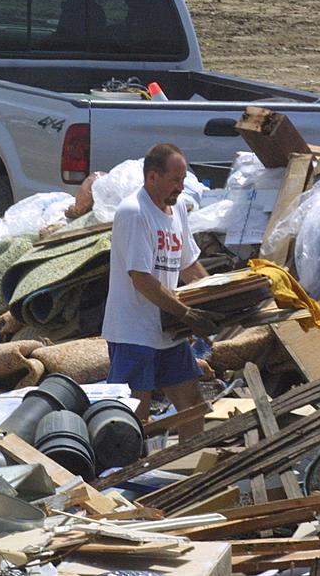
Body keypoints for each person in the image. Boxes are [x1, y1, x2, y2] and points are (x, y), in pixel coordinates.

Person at [101, 143, 223, 438]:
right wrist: (187, 313)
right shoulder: (134, 212)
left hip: (168, 331)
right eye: (175, 180)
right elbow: (141, 279)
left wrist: (216, 298)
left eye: (183, 180)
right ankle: (128, 477)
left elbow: (189, 264)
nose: (181, 187)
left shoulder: (177, 207)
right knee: (136, 416)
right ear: (152, 177)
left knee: (192, 404)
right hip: (134, 333)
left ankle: (192, 471)